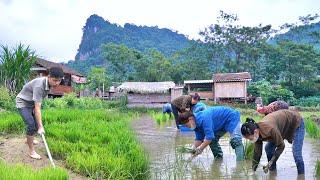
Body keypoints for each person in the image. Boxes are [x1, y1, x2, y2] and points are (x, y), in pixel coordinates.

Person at [16, 66, 64, 159]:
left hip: (31, 102)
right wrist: (40, 126)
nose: (57, 83)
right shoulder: (39, 85)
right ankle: (31, 151)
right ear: (49, 77)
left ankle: (29, 140)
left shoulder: (49, 84)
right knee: (31, 125)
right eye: (54, 80)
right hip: (23, 102)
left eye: (59, 81)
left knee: (35, 123)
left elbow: (38, 103)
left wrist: (39, 123)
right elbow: (38, 108)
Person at [241, 109, 305, 174]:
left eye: (250, 138)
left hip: (295, 122)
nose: (250, 140)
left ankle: (301, 176)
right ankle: (273, 172)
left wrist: (270, 162)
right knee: (268, 148)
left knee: (297, 154)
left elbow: (281, 146)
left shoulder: (270, 129)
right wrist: (253, 171)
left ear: (255, 132)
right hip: (281, 126)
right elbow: (257, 153)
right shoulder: (256, 132)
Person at [178, 106, 244, 161]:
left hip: (231, 117)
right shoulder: (196, 124)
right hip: (219, 125)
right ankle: (218, 160)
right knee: (213, 141)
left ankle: (240, 165)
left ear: (190, 119)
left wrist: (200, 149)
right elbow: (199, 139)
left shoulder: (205, 118)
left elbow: (209, 138)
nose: (188, 127)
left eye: (187, 125)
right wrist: (193, 149)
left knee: (236, 141)